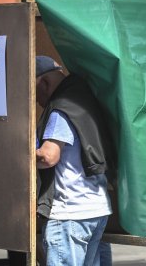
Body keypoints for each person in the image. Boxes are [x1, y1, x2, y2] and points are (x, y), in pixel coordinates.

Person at [35, 56, 114, 266]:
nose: (36, 100)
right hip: (97, 208)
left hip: (70, 212)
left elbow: (49, 156)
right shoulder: (84, 99)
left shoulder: (60, 109)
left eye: (34, 93)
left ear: (44, 83)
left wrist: (21, 153)